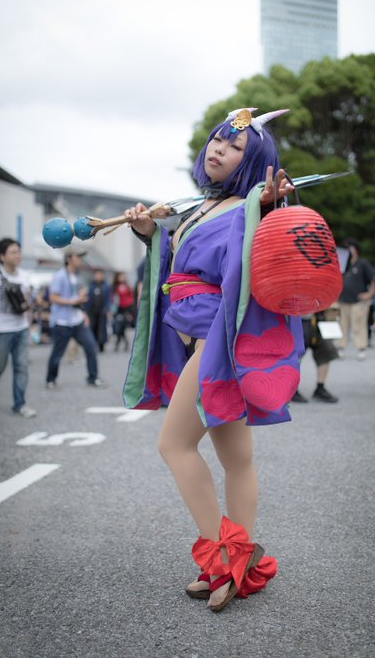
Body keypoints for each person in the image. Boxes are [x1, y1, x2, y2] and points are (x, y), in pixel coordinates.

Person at [122, 108, 307, 613]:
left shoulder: (250, 207)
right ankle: (238, 563)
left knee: (174, 444)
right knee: (236, 458)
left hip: (216, 342)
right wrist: (151, 233)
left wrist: (268, 205)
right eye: (218, 140)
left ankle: (222, 558)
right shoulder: (205, 206)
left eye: (236, 146)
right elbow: (180, 269)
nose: (219, 149)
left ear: (254, 163)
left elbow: (260, 253)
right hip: (198, 339)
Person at [0, 237, 36, 418]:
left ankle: (20, 404)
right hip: (0, 331)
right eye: (13, 252)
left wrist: (29, 327)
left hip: (21, 329)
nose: (17, 255)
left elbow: (27, 304)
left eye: (18, 252)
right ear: (1, 256)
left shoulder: (25, 276)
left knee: (22, 367)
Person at [45, 246, 106, 389]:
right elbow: (53, 297)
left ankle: (93, 378)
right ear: (68, 259)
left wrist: (82, 311)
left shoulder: (77, 276)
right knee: (57, 353)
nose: (80, 260)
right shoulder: (60, 276)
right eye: (78, 257)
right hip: (62, 321)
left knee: (91, 347)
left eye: (81, 257)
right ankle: (50, 379)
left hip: (77, 320)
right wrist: (74, 301)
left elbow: (77, 299)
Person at [338, 238, 375, 360]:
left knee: (358, 325)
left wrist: (370, 294)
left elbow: (374, 279)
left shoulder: (362, 264)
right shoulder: (343, 264)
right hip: (343, 300)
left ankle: (361, 348)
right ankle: (341, 347)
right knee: (343, 325)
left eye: (351, 248)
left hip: (358, 301)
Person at [292, 312, 339, 403]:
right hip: (296, 319)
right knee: (295, 356)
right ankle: (292, 390)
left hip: (317, 318)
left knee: (326, 351)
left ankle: (320, 388)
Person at [86, 269, 111, 352]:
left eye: (100, 274)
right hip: (92, 311)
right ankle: (93, 344)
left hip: (102, 311)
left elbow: (108, 298)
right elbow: (88, 298)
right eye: (97, 275)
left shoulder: (106, 286)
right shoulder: (91, 285)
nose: (98, 276)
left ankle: (101, 345)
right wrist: (87, 309)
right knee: (93, 328)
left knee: (102, 329)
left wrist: (107, 308)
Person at [111, 271, 135, 352]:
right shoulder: (115, 287)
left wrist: (130, 312)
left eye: (123, 276)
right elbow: (113, 299)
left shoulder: (128, 287)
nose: (122, 278)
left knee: (122, 327)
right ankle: (123, 343)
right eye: (120, 276)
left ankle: (119, 344)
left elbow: (131, 298)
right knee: (118, 327)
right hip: (118, 310)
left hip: (126, 310)